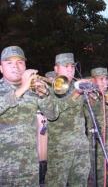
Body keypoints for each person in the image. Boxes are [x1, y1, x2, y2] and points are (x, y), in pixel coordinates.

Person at [0, 46, 59, 185]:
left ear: (25, 66)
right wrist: (22, 88)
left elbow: (53, 115)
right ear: (1, 68)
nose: (15, 66)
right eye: (9, 63)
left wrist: (44, 95)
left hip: (29, 167)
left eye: (20, 62)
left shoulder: (34, 88)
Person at [46, 53, 91, 187]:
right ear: (56, 69)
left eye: (72, 66)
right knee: (56, 183)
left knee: (80, 182)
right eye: (66, 66)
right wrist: (76, 94)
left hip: (81, 146)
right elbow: (53, 111)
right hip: (61, 148)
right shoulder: (49, 86)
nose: (70, 69)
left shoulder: (75, 85)